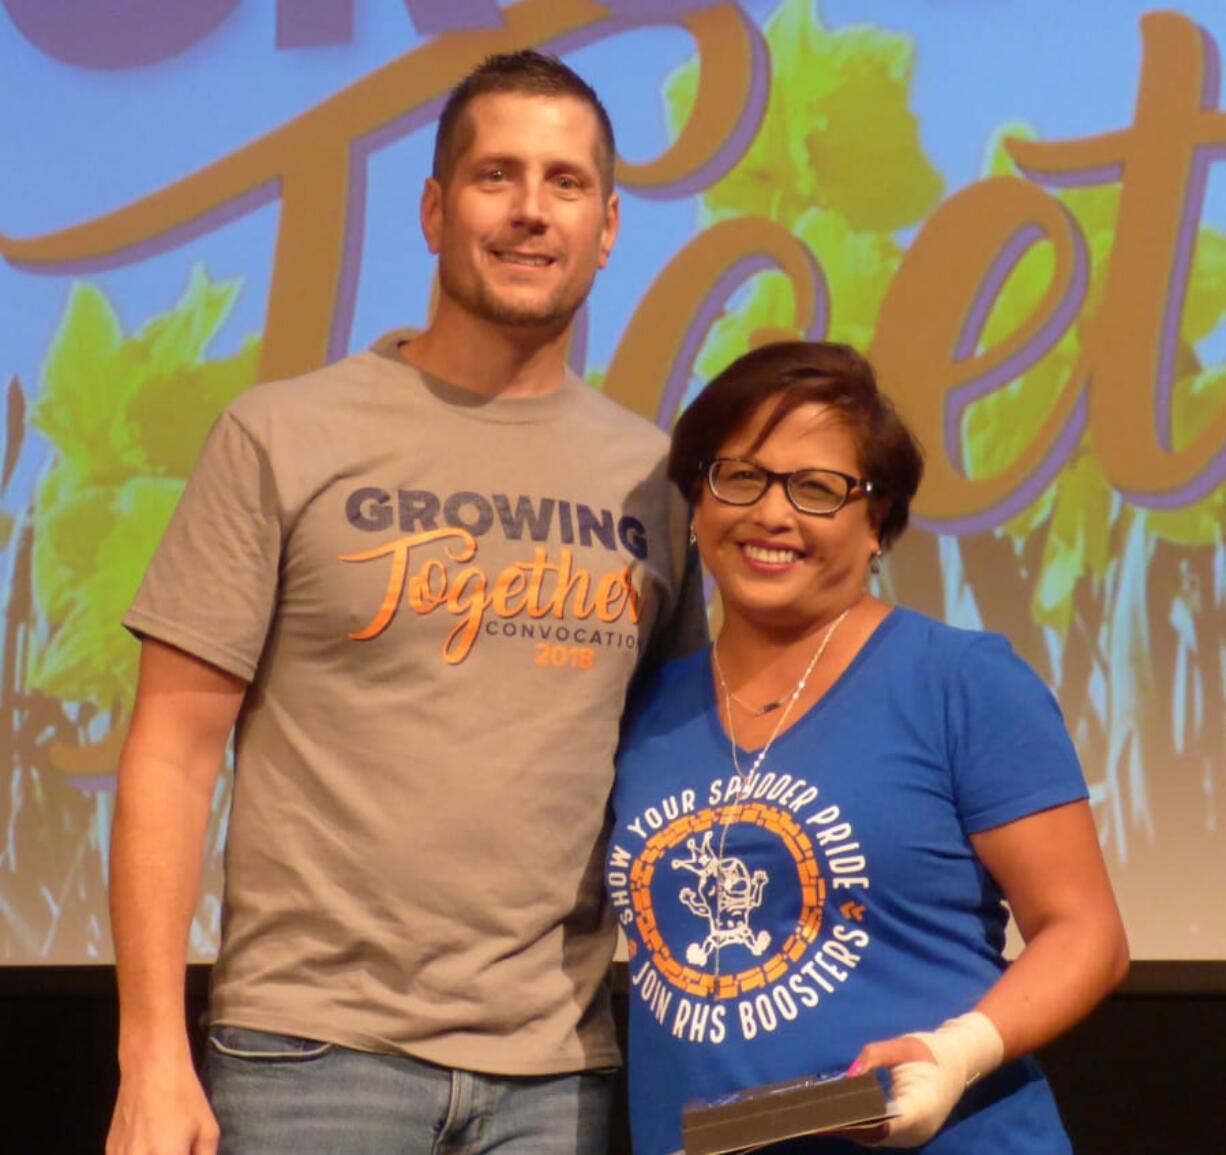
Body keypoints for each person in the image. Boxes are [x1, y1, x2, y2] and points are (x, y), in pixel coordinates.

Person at [106, 50, 704, 1155]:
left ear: (608, 225)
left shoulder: (654, 479)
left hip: (558, 1070)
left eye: (565, 184)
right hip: (311, 1057)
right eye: (496, 177)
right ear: (434, 209)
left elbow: (681, 763)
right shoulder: (284, 435)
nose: (531, 212)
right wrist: (149, 1053)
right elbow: (171, 756)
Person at [607, 340, 1129, 1154]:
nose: (771, 515)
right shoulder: (646, 710)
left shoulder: (959, 681)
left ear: (875, 520)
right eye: (739, 476)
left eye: (817, 489)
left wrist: (955, 1054)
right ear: (698, 502)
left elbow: (1086, 933)